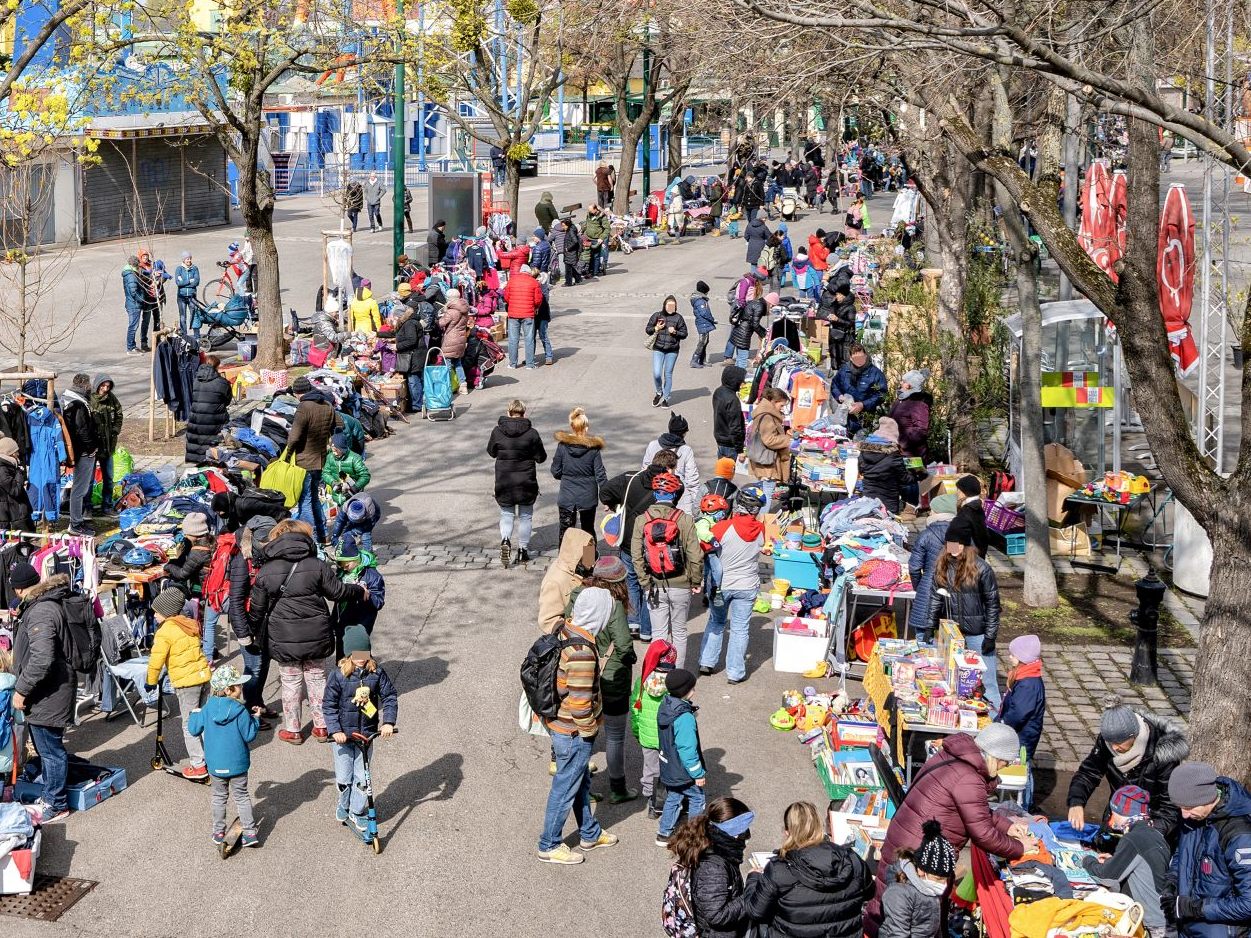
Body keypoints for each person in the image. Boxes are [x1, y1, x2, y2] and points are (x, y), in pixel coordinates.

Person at [864, 725, 1033, 936]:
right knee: (910, 917)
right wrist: (1019, 848)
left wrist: (1008, 827)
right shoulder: (969, 778)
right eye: (1004, 763)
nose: (1003, 769)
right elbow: (983, 834)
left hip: (908, 840)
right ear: (994, 757)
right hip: (919, 853)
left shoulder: (953, 756)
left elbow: (976, 811)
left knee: (893, 907)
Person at [247, 519, 366, 745]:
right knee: (317, 678)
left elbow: (257, 609)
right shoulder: (318, 565)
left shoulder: (267, 570)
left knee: (290, 682)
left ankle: (293, 730)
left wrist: (251, 631)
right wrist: (359, 590)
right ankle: (322, 727)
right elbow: (338, 592)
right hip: (316, 633)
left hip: (283, 636)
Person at [537, 588, 618, 865]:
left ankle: (589, 832)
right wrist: (589, 731)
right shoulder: (582, 652)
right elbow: (581, 703)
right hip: (572, 731)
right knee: (566, 785)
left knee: (578, 781)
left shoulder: (566, 629)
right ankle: (549, 843)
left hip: (559, 723)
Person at [10, 565, 85, 823]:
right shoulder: (45, 603)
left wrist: (21, 690)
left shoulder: (41, 610)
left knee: (51, 751)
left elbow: (42, 659)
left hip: (49, 693)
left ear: (18, 588)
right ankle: (53, 795)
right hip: (49, 691)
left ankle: (56, 803)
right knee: (49, 749)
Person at [744, 800, 874, 938]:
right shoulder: (852, 860)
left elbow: (755, 911)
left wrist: (753, 878)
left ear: (787, 832)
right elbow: (870, 893)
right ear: (820, 826)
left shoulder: (779, 870)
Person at [566, 558, 636, 804]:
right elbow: (624, 643)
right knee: (615, 735)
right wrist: (630, 657)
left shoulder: (578, 594)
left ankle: (584, 789)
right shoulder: (614, 604)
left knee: (584, 733)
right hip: (611, 675)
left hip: (580, 673)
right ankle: (617, 788)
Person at [1067, 704, 1190, 838]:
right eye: (1110, 741)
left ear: (1134, 735)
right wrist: (1076, 802)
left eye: (1119, 742)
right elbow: (1088, 773)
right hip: (1116, 820)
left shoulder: (1164, 755)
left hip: (1150, 830)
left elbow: (1170, 809)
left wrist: (1144, 833)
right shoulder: (1108, 742)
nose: (1114, 747)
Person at [323, 625, 397, 836]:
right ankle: (344, 804)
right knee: (345, 777)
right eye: (356, 654)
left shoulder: (376, 672)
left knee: (362, 779)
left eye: (364, 654)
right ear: (348, 654)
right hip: (343, 738)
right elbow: (328, 706)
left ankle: (356, 810)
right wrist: (335, 730)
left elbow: (389, 696)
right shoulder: (338, 676)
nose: (360, 659)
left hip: (366, 735)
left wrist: (388, 722)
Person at [601, 450, 681, 641]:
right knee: (650, 584)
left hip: (629, 539)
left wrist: (616, 506)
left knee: (631, 582)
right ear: (668, 469)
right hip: (655, 542)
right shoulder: (673, 486)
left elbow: (604, 491)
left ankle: (632, 623)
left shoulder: (629, 479)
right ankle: (647, 629)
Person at [1167, 762, 1251, 938]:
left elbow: (1248, 903)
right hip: (1188, 925)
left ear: (1206, 797)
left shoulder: (1239, 834)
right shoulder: (1193, 815)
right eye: (1180, 807)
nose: (1184, 815)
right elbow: (1182, 853)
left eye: (1188, 808)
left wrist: (1196, 908)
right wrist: (1172, 882)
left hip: (1222, 930)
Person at [927, 515, 1003, 709]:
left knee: (988, 683)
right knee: (951, 680)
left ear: (966, 545)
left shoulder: (982, 569)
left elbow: (993, 605)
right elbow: (936, 597)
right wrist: (931, 625)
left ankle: (996, 725)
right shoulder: (942, 565)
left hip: (978, 633)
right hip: (952, 633)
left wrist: (990, 636)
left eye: (958, 544)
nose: (954, 548)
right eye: (950, 544)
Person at [631, 472, 702, 668]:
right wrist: (695, 581)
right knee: (679, 631)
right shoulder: (685, 520)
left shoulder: (642, 520)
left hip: (653, 585)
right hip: (681, 584)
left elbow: (636, 555)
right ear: (675, 494)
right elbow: (695, 554)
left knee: (659, 633)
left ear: (655, 494)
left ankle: (657, 674)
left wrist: (645, 582)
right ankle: (677, 675)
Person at [1080, 786, 1171, 938]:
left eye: (1114, 813)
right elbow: (1143, 865)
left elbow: (1106, 876)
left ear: (1125, 813)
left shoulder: (1133, 839)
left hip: (1151, 923)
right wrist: (1115, 861)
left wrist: (1087, 859)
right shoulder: (1154, 833)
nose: (1111, 820)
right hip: (1164, 917)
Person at [188, 664, 261, 850]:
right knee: (242, 796)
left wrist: (193, 715)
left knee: (219, 797)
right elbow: (249, 735)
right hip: (237, 764)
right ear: (229, 689)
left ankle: (218, 831)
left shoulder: (207, 708)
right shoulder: (241, 711)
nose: (242, 688)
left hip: (215, 764)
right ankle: (250, 832)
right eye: (239, 686)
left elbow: (193, 729)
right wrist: (256, 719)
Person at [698, 490, 764, 684]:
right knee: (740, 629)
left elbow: (705, 547)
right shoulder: (761, 529)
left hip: (722, 585)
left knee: (716, 622)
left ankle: (707, 662)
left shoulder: (722, 527)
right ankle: (735, 673)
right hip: (748, 585)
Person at [146, 586, 212, 779]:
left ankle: (198, 765)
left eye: (156, 612)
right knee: (205, 720)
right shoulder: (188, 624)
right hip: (203, 677)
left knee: (190, 724)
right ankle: (213, 757)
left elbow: (156, 659)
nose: (155, 616)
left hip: (187, 683)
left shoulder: (165, 631)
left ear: (166, 612)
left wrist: (151, 681)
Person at [668, 796, 756, 938]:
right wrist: (752, 892)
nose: (747, 836)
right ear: (734, 832)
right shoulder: (713, 868)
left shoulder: (715, 845)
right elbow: (716, 916)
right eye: (744, 831)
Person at [227, 515, 278, 723]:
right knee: (254, 667)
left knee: (263, 664)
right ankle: (249, 710)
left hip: (265, 622)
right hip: (248, 625)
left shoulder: (271, 556)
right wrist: (243, 633)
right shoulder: (243, 561)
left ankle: (258, 702)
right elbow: (236, 600)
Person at [488, 399, 547, 568]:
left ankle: (505, 540)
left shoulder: (497, 431)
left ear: (508, 412)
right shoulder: (532, 434)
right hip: (526, 482)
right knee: (525, 516)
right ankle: (523, 549)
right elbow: (541, 458)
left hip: (504, 481)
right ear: (524, 413)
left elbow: (491, 452)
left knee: (506, 515)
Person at [878, 820, 958, 938]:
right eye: (938, 878)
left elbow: (936, 928)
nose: (943, 884)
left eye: (945, 879)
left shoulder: (930, 889)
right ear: (921, 871)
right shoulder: (899, 893)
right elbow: (897, 934)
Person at [287, 375, 342, 545]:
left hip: (304, 460)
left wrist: (287, 455)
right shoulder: (326, 404)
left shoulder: (304, 407)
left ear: (298, 393)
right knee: (315, 499)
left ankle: (310, 539)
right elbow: (340, 424)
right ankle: (323, 535)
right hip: (321, 459)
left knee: (305, 501)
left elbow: (294, 437)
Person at [656, 668, 706, 845]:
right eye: (692, 688)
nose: (694, 691)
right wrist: (698, 774)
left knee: (674, 797)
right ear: (685, 691)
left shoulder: (665, 706)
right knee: (697, 797)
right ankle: (695, 836)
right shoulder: (684, 717)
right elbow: (687, 750)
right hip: (683, 769)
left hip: (669, 765)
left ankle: (664, 832)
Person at [997, 634, 1047, 809]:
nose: (1010, 657)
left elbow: (1018, 713)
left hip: (1022, 737)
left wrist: (1001, 723)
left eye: (1013, 654)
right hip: (1022, 734)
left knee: (1022, 768)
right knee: (1021, 766)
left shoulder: (1028, 684)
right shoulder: (1024, 676)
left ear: (1022, 658)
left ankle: (1025, 806)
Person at [631, 639, 677, 818]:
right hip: (667, 737)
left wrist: (637, 730)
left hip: (647, 736)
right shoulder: (673, 682)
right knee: (669, 768)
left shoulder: (642, 680)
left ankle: (652, 803)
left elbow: (635, 706)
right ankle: (668, 801)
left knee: (650, 769)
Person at [164, 512, 217, 658]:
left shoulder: (197, 552)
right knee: (206, 620)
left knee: (203, 620)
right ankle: (208, 648)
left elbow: (182, 574)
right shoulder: (213, 541)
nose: (185, 536)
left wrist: (167, 566)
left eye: (187, 533)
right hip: (211, 585)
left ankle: (206, 656)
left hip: (203, 588)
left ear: (194, 533)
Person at [551, 407, 608, 545]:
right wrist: (607, 498)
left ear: (572, 427)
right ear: (586, 428)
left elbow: (555, 471)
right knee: (587, 531)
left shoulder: (562, 446)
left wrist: (566, 477)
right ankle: (588, 563)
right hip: (588, 496)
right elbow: (600, 474)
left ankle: (565, 562)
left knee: (565, 531)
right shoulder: (593, 449)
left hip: (567, 495)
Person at [908, 494, 956, 642]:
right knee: (949, 637)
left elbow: (914, 567)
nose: (929, 512)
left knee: (923, 636)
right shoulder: (957, 534)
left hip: (928, 588)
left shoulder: (926, 535)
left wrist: (918, 585)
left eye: (932, 510)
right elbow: (954, 561)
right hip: (952, 590)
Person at [537, 527, 596, 634]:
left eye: (592, 550)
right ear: (576, 551)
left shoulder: (575, 567)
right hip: (573, 639)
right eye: (588, 550)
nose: (591, 557)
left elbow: (589, 564)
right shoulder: (555, 582)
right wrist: (570, 633)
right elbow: (548, 620)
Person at [331, 540, 385, 656]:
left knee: (359, 652)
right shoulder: (342, 574)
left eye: (346, 565)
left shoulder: (372, 576)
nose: (344, 568)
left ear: (355, 558)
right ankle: (342, 672)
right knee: (342, 651)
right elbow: (337, 601)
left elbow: (378, 602)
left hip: (361, 623)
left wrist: (365, 594)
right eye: (340, 565)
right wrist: (333, 620)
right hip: (343, 620)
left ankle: (363, 672)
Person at [642, 412, 701, 516]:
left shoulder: (652, 445)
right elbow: (692, 480)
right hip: (680, 499)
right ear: (683, 433)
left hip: (655, 495)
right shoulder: (686, 450)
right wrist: (698, 503)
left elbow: (644, 470)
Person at [61, 373, 99, 536]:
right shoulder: (78, 404)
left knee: (79, 488)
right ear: (85, 385)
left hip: (79, 451)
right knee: (80, 489)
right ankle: (75, 524)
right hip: (83, 452)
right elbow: (82, 430)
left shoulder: (69, 400)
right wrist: (91, 449)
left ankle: (77, 521)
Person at [889, 370, 932, 512]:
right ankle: (902, 508)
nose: (901, 383)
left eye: (904, 381)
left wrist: (903, 443)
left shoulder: (919, 404)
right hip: (897, 448)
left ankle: (911, 509)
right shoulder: (901, 400)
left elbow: (920, 430)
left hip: (912, 452)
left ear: (910, 385)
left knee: (911, 479)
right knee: (900, 479)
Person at [747, 387, 793, 516]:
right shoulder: (767, 417)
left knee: (765, 489)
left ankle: (759, 519)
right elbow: (769, 440)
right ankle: (762, 521)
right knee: (768, 491)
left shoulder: (764, 413)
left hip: (764, 458)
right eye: (781, 405)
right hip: (767, 462)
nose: (782, 408)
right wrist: (787, 439)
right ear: (773, 401)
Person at [185, 355, 231, 466]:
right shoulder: (222, 382)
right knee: (213, 446)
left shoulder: (196, 380)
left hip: (196, 418)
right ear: (217, 366)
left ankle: (197, 465)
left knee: (197, 444)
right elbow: (227, 400)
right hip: (214, 419)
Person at [832, 345, 888, 435]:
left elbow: (882, 394)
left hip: (864, 421)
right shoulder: (844, 370)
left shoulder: (875, 373)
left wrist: (862, 405)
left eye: (861, 357)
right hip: (844, 418)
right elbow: (835, 385)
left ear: (865, 356)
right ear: (850, 358)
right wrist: (839, 396)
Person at [88, 375, 123, 515]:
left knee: (109, 478)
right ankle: (87, 507)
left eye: (108, 386)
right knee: (89, 480)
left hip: (108, 446)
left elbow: (119, 414)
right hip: (93, 447)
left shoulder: (111, 398)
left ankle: (107, 506)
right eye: (103, 386)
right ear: (97, 385)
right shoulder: (89, 399)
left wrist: (115, 430)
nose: (105, 389)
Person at [646, 295, 689, 408]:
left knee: (668, 374)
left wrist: (675, 332)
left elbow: (684, 334)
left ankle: (666, 398)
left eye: (673, 306)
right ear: (664, 306)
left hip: (672, 350)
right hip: (658, 348)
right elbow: (648, 329)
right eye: (668, 305)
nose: (670, 308)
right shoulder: (657, 315)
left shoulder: (679, 318)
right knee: (656, 373)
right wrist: (656, 328)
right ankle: (659, 392)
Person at [503, 263, 543, 369]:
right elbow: (538, 300)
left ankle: (512, 363)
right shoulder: (534, 282)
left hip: (513, 314)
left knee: (513, 339)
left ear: (520, 271)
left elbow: (506, 297)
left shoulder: (511, 281)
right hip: (528, 314)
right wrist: (534, 307)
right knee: (529, 339)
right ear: (529, 272)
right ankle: (530, 364)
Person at [818, 279, 857, 371]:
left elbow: (850, 323)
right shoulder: (835, 304)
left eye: (839, 294)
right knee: (834, 355)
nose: (837, 296)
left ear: (844, 296)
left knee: (844, 358)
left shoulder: (851, 308)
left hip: (845, 338)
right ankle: (835, 371)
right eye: (837, 294)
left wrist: (837, 319)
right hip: (834, 335)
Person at [322, 434, 371, 507]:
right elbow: (325, 473)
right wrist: (332, 483)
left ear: (343, 448)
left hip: (352, 498)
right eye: (333, 450)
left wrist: (355, 488)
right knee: (340, 517)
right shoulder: (330, 457)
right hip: (337, 498)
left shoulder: (354, 458)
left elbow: (365, 475)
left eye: (337, 450)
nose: (334, 453)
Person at [713, 366, 747, 459]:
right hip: (730, 444)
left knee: (722, 470)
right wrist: (740, 450)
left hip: (720, 438)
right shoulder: (732, 400)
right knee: (729, 471)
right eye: (741, 381)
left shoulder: (718, 391)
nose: (743, 383)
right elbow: (735, 427)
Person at [727, 288, 766, 369]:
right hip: (743, 335)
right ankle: (739, 379)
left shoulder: (753, 302)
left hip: (738, 331)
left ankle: (735, 377)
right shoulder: (759, 306)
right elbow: (755, 324)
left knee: (739, 359)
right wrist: (764, 334)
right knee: (742, 360)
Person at [0, 437, 32, 531]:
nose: (18, 454)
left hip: (13, 516)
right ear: (10, 453)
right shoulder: (3, 469)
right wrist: (19, 472)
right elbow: (15, 490)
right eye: (16, 451)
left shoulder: (9, 467)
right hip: (11, 519)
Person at [954, 475, 990, 557]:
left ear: (965, 492)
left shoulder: (967, 510)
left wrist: (950, 556)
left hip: (968, 558)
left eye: (958, 490)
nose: (956, 493)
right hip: (978, 554)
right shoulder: (978, 505)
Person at [689, 281, 717, 369]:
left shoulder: (700, 299)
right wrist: (712, 320)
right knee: (702, 342)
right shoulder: (700, 301)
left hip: (704, 323)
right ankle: (694, 360)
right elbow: (704, 313)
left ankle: (702, 360)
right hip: (703, 323)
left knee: (705, 341)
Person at [122, 256, 146, 353]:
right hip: (134, 304)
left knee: (133, 325)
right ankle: (130, 347)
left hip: (131, 303)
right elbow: (133, 291)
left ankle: (132, 345)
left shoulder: (128, 273)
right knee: (133, 326)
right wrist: (142, 299)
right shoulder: (131, 275)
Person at [174, 252, 200, 334]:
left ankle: (196, 335)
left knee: (195, 315)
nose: (189, 260)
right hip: (181, 297)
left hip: (192, 296)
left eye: (189, 258)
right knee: (182, 317)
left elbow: (196, 282)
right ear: (183, 260)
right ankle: (184, 335)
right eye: (187, 259)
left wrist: (184, 283)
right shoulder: (179, 269)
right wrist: (189, 281)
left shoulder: (195, 268)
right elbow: (178, 283)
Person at [585, 204, 611, 278]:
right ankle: (590, 271)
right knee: (589, 255)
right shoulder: (589, 214)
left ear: (595, 209)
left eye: (591, 210)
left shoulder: (602, 217)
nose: (589, 211)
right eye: (589, 210)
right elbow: (587, 223)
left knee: (596, 256)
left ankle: (595, 273)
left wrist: (602, 238)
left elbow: (607, 229)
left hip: (596, 239)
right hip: (588, 237)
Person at [560, 217, 584, 288]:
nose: (563, 227)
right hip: (571, 253)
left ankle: (568, 282)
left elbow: (575, 241)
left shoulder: (570, 231)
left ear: (568, 225)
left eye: (564, 226)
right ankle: (578, 279)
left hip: (570, 253)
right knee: (572, 267)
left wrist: (568, 248)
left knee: (568, 268)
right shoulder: (571, 229)